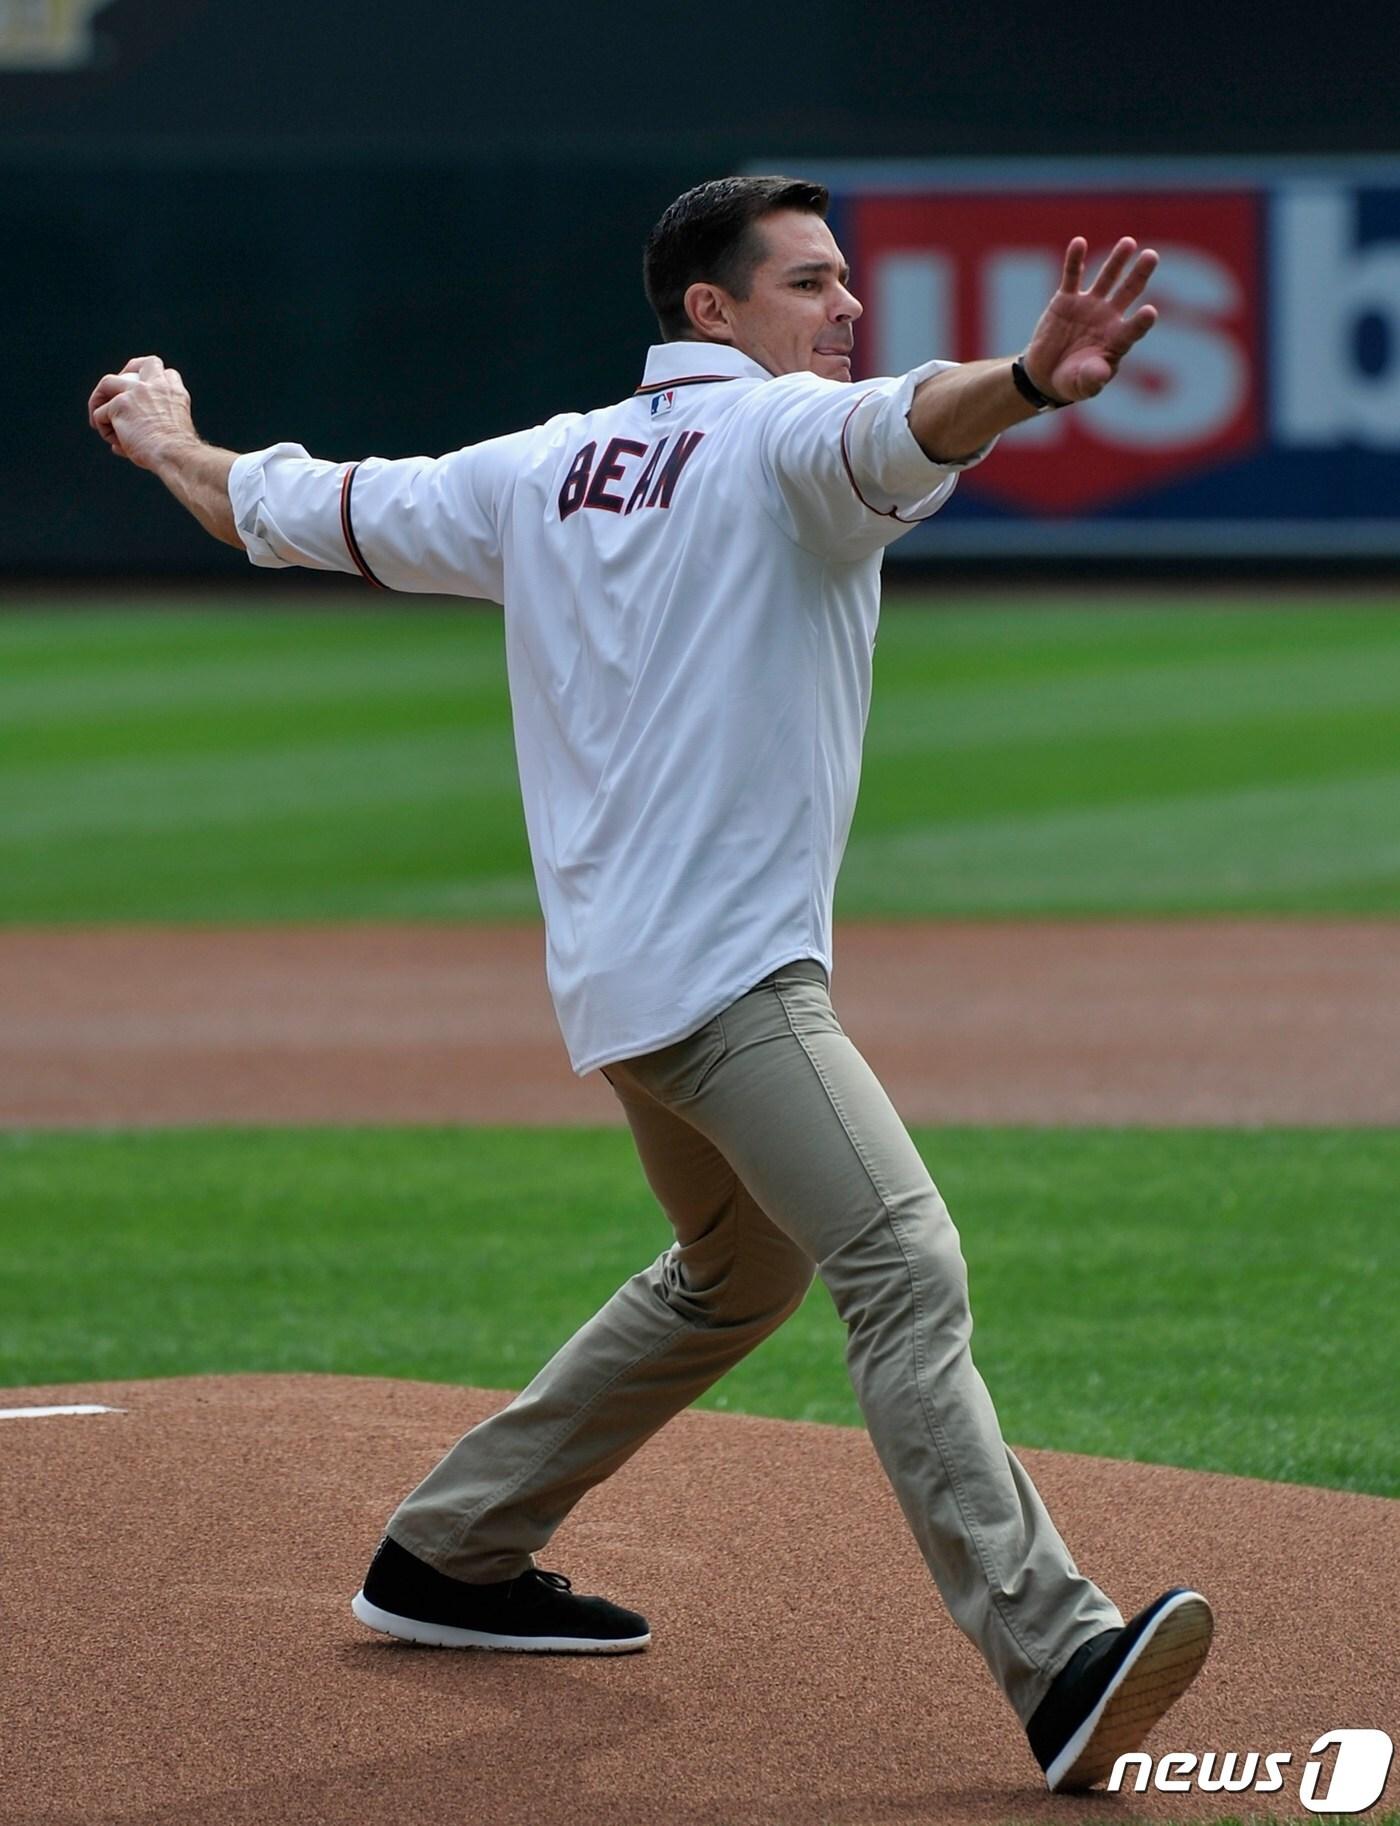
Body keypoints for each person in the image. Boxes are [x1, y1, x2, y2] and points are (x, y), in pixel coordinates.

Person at [87, 174, 1213, 1793]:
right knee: (903, 1260)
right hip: (734, 984)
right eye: (811, 282)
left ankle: (452, 1550)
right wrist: (1029, 382)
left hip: (618, 983)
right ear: (711, 310)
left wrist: (169, 433)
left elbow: (281, 504)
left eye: (846, 282)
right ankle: (1058, 1655)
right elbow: (924, 422)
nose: (845, 309)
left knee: (735, 1274)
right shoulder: (783, 439)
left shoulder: (537, 467)